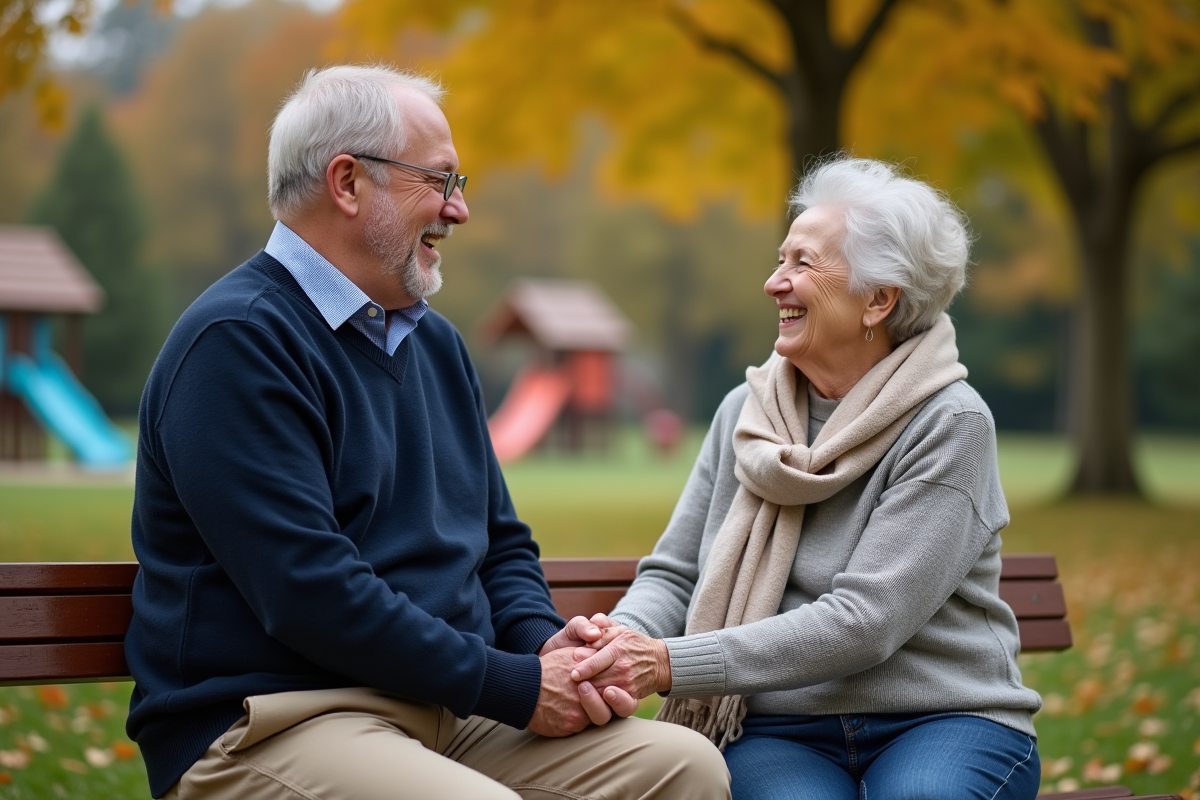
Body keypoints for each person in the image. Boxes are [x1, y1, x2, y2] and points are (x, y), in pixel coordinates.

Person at [124, 64, 729, 800]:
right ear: (347, 184)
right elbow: (308, 590)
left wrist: (544, 644)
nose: (460, 209)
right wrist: (511, 683)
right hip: (275, 719)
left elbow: (499, 541)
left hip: (446, 709)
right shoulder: (237, 342)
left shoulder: (434, 344)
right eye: (440, 182)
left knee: (684, 769)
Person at [570, 157, 1043, 799]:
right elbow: (678, 573)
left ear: (879, 299)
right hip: (778, 728)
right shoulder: (746, 413)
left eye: (802, 264)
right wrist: (618, 642)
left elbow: (863, 621)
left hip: (943, 718)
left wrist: (667, 663)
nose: (774, 282)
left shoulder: (951, 423)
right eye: (780, 259)